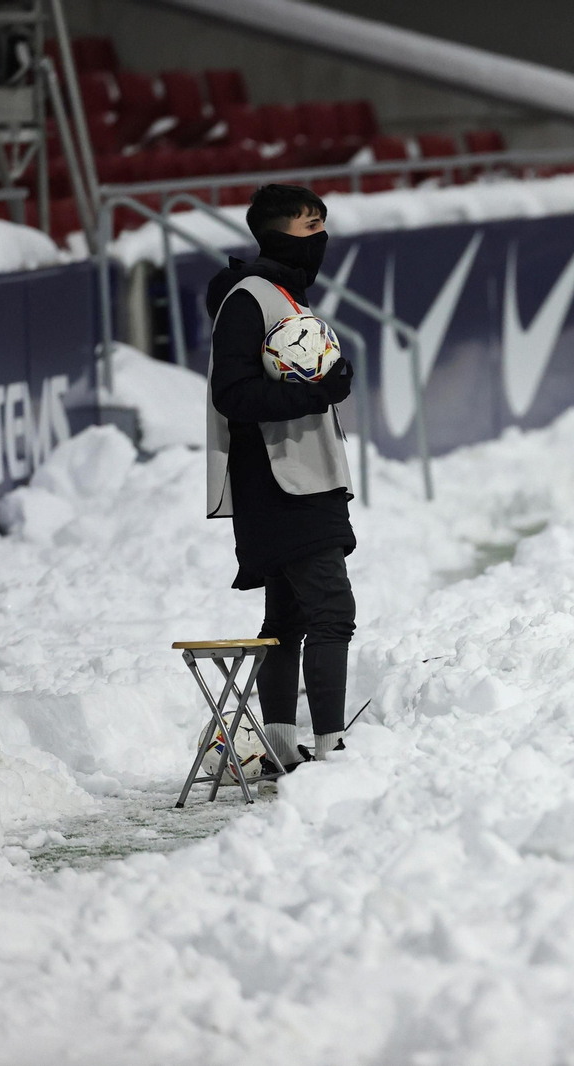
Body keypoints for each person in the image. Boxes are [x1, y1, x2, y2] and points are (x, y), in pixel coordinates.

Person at [204, 183, 356, 776]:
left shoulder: (285, 297)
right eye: (306, 226)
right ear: (271, 234)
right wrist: (318, 391)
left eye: (323, 223)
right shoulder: (250, 298)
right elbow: (233, 394)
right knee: (331, 610)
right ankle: (330, 749)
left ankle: (281, 746)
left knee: (289, 618)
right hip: (278, 481)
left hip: (304, 477)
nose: (318, 236)